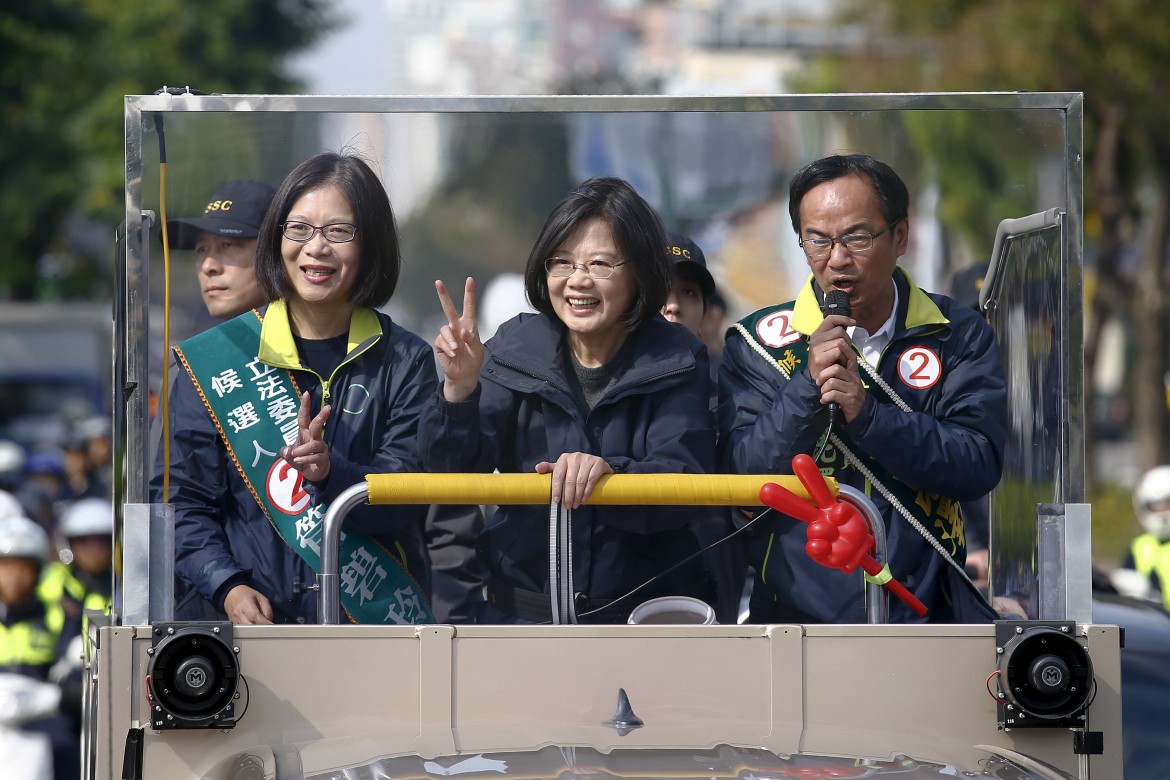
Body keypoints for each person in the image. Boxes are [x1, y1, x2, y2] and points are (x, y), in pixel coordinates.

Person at [718, 153, 1007, 624]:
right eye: (817, 240)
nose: (836, 259)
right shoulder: (759, 344)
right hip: (797, 620)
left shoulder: (957, 333)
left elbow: (977, 463)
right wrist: (807, 388)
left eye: (856, 237)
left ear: (900, 237)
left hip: (925, 614)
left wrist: (870, 417)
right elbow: (743, 478)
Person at [154, 152, 437, 625]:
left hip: (372, 635)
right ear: (276, 239)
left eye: (339, 232)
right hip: (244, 638)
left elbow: (406, 498)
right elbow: (180, 500)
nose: (316, 249)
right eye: (299, 229)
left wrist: (332, 475)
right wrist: (226, 585)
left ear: (371, 244)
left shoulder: (407, 362)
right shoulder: (214, 360)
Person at [420, 177, 717, 624]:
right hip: (522, 619)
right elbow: (448, 469)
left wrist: (612, 473)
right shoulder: (514, 346)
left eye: (600, 264)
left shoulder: (677, 355)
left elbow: (685, 476)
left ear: (639, 273)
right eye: (562, 262)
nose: (578, 281)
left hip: (642, 625)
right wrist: (459, 391)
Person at [660, 232, 745, 624]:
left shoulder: (733, 396)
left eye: (689, 293)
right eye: (661, 290)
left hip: (711, 605)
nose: (674, 306)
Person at [0, 514, 81, 780]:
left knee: (66, 746)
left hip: (41, 712)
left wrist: (68, 690)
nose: (14, 577)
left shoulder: (57, 615)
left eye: (24, 567)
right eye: (6, 567)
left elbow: (70, 659)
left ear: (37, 572)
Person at [166, 178, 276, 320]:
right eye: (201, 249)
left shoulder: (302, 339)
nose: (208, 267)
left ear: (276, 254)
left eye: (228, 245)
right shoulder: (204, 339)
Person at [1113, 466, 1170, 607]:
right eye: (1155, 506)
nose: (1162, 513)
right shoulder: (1139, 547)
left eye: (1167, 505)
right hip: (1152, 624)